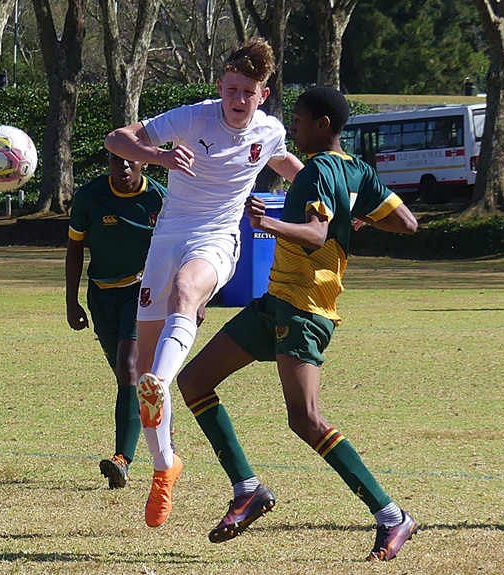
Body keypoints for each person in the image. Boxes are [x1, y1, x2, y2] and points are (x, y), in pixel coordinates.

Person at [175, 86, 419, 561]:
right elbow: (407, 223)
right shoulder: (357, 171)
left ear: (323, 125)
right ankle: (248, 489)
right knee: (194, 381)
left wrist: (269, 222)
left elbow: (314, 236)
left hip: (304, 311)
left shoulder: (314, 175)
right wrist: (359, 217)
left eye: (301, 120)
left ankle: (392, 516)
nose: (294, 129)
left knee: (305, 419)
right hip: (276, 304)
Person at [104, 37, 304, 528]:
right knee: (145, 359)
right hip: (167, 238)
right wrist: (160, 157)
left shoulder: (270, 131)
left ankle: (161, 381)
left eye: (249, 92)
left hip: (217, 240)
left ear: (264, 92)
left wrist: (337, 204)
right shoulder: (193, 117)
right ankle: (164, 465)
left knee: (186, 295)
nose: (239, 100)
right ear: (220, 86)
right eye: (232, 89)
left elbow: (293, 169)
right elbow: (117, 139)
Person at [65, 151, 167, 489]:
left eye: (130, 160)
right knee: (131, 381)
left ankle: (122, 459)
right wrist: (71, 301)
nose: (123, 167)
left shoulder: (160, 199)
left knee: (130, 365)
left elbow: (178, 247)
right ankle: (159, 440)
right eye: (115, 161)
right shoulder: (89, 197)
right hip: (101, 296)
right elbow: (75, 247)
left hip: (142, 293)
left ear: (145, 162)